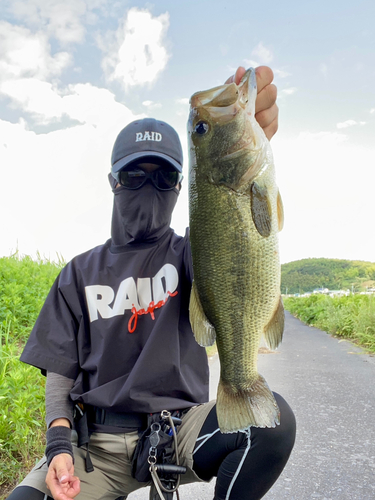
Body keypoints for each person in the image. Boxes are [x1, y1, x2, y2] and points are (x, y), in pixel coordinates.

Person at [7, 66, 295, 500]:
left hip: (178, 432)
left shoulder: (191, 254)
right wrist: (59, 446)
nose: (148, 186)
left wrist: (249, 139)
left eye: (162, 177)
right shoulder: (78, 273)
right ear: (113, 183)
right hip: (94, 448)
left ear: (182, 185)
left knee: (271, 425)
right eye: (133, 176)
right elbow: (60, 377)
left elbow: (235, 242)